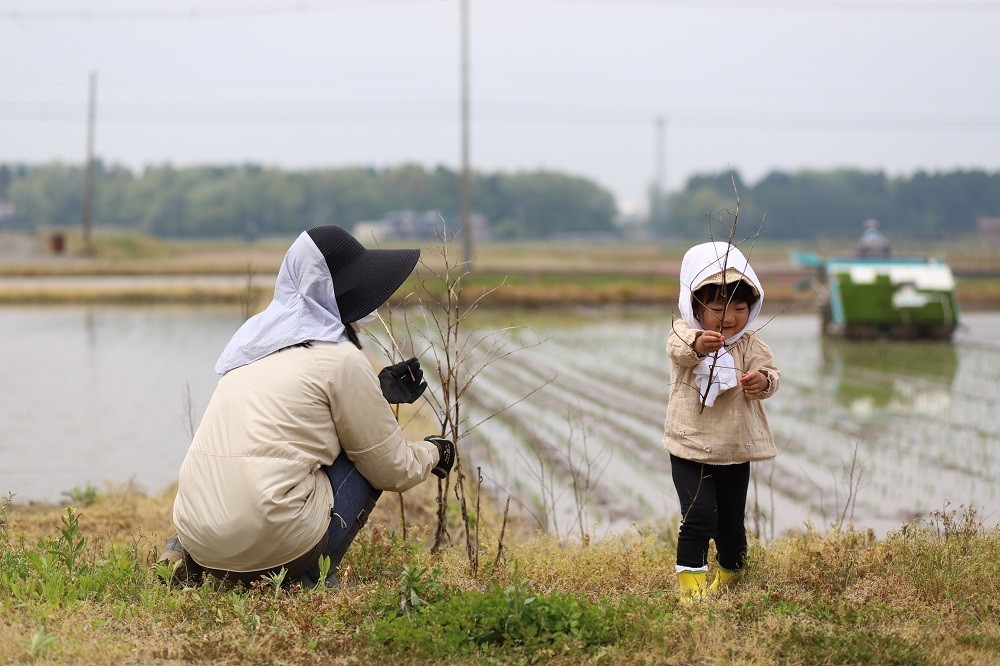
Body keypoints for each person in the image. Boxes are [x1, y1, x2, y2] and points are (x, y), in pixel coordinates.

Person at [158, 225, 455, 588]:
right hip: (273, 539)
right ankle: (309, 578)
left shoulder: (251, 347)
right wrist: (436, 452)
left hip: (198, 533)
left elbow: (295, 416)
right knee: (366, 459)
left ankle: (181, 552)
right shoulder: (341, 359)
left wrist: (374, 394)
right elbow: (391, 469)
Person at [662, 241, 780, 601]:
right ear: (695, 305)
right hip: (690, 447)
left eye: (740, 308)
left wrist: (762, 381)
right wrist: (702, 343)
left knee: (730, 527)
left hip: (733, 450)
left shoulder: (749, 343)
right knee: (698, 517)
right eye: (717, 308)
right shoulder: (685, 331)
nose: (729, 319)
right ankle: (692, 596)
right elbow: (681, 351)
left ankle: (729, 580)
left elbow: (771, 374)